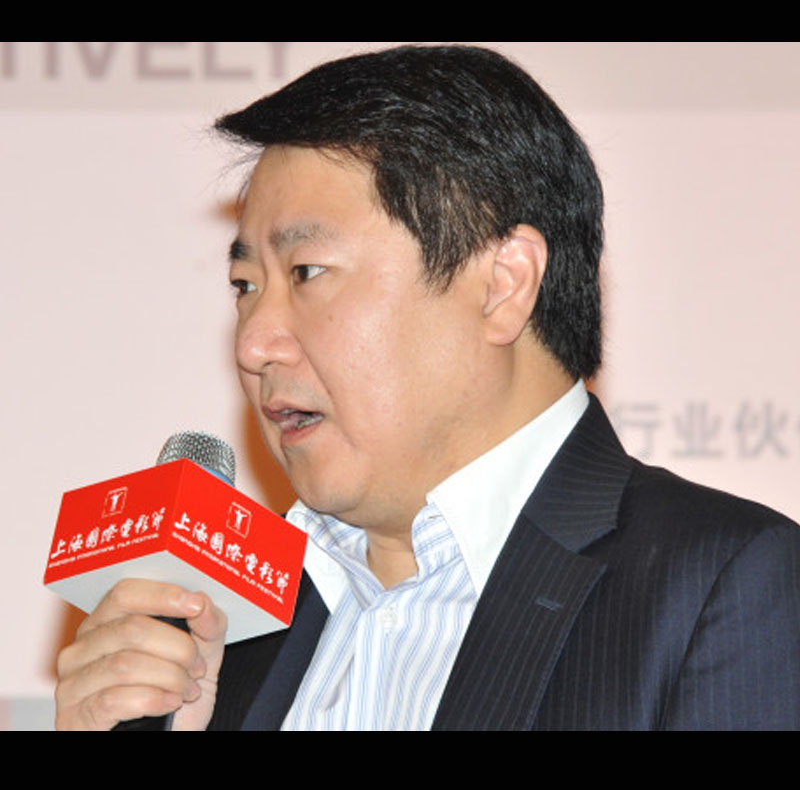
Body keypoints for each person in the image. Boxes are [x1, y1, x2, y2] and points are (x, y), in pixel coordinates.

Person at [54, 44, 800, 731]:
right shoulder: (220, 627)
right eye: (245, 285)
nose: (253, 344)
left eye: (307, 273)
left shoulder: (719, 588)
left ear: (503, 284)